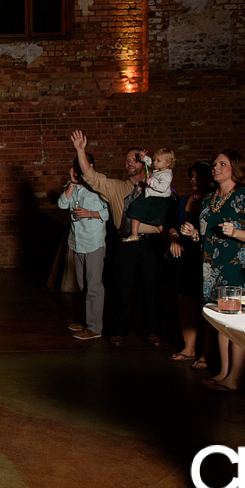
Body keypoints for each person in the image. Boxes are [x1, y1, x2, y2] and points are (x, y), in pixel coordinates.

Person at [181, 150, 245, 392]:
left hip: (237, 270)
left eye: (222, 164)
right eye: (214, 164)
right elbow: (208, 235)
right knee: (221, 323)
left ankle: (235, 378)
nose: (216, 168)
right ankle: (223, 372)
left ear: (235, 168)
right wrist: (193, 235)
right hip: (211, 269)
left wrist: (237, 232)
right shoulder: (209, 199)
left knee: (236, 325)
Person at [71, 130, 164, 348]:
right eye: (127, 160)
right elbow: (91, 177)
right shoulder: (116, 187)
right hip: (125, 243)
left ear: (144, 162)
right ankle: (119, 331)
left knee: (152, 289)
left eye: (135, 159)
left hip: (150, 243)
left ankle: (151, 331)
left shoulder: (157, 187)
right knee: (122, 288)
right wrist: (80, 150)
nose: (130, 163)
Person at [57, 154, 109, 340]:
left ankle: (95, 328)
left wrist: (90, 213)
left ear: (90, 166)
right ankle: (87, 321)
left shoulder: (99, 187)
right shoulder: (75, 188)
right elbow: (62, 204)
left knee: (94, 286)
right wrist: (72, 183)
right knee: (82, 284)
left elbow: (110, 212)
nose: (77, 170)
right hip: (77, 242)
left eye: (80, 166)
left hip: (94, 242)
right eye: (75, 167)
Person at [167, 161, 214, 365]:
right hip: (184, 257)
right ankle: (189, 348)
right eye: (191, 175)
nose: (192, 179)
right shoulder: (184, 200)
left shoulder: (214, 201)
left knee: (206, 305)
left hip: (204, 257)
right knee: (184, 302)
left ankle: (207, 353)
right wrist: (175, 238)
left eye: (197, 175)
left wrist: (196, 235)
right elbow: (171, 226)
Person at [123, 148, 175, 242]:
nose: (155, 163)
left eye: (158, 160)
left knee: (158, 222)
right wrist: (144, 158)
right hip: (151, 196)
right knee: (135, 208)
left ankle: (167, 242)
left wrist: (150, 182)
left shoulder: (166, 175)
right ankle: (134, 234)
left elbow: (163, 188)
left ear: (168, 163)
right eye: (155, 160)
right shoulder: (159, 168)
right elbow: (149, 163)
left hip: (158, 199)